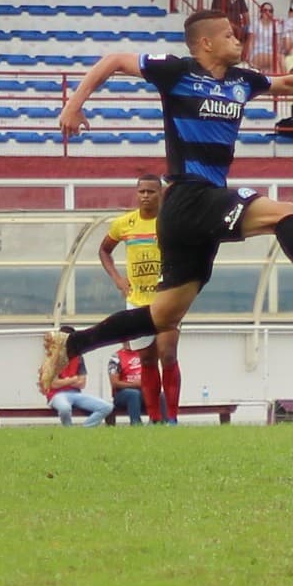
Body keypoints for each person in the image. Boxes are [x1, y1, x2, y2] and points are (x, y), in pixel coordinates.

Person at [40, 9, 293, 386]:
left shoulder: (242, 79)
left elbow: (290, 83)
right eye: (229, 35)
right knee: (284, 212)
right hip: (188, 196)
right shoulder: (176, 71)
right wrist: (73, 105)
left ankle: (71, 345)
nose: (238, 40)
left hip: (195, 209)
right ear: (206, 43)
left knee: (163, 317)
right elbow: (114, 60)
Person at [98, 175, 181, 425]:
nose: (146, 196)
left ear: (160, 194)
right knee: (146, 359)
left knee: (167, 354)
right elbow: (104, 250)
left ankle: (173, 419)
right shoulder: (124, 223)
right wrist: (118, 279)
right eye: (142, 191)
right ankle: (155, 418)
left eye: (151, 192)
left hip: (166, 298)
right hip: (137, 301)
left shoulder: (171, 222)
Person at [40, 329, 115, 427]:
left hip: (75, 394)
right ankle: (68, 431)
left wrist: (63, 381)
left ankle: (84, 429)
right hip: (56, 395)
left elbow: (82, 383)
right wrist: (73, 380)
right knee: (65, 408)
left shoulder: (78, 358)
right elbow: (53, 384)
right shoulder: (51, 358)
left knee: (107, 407)